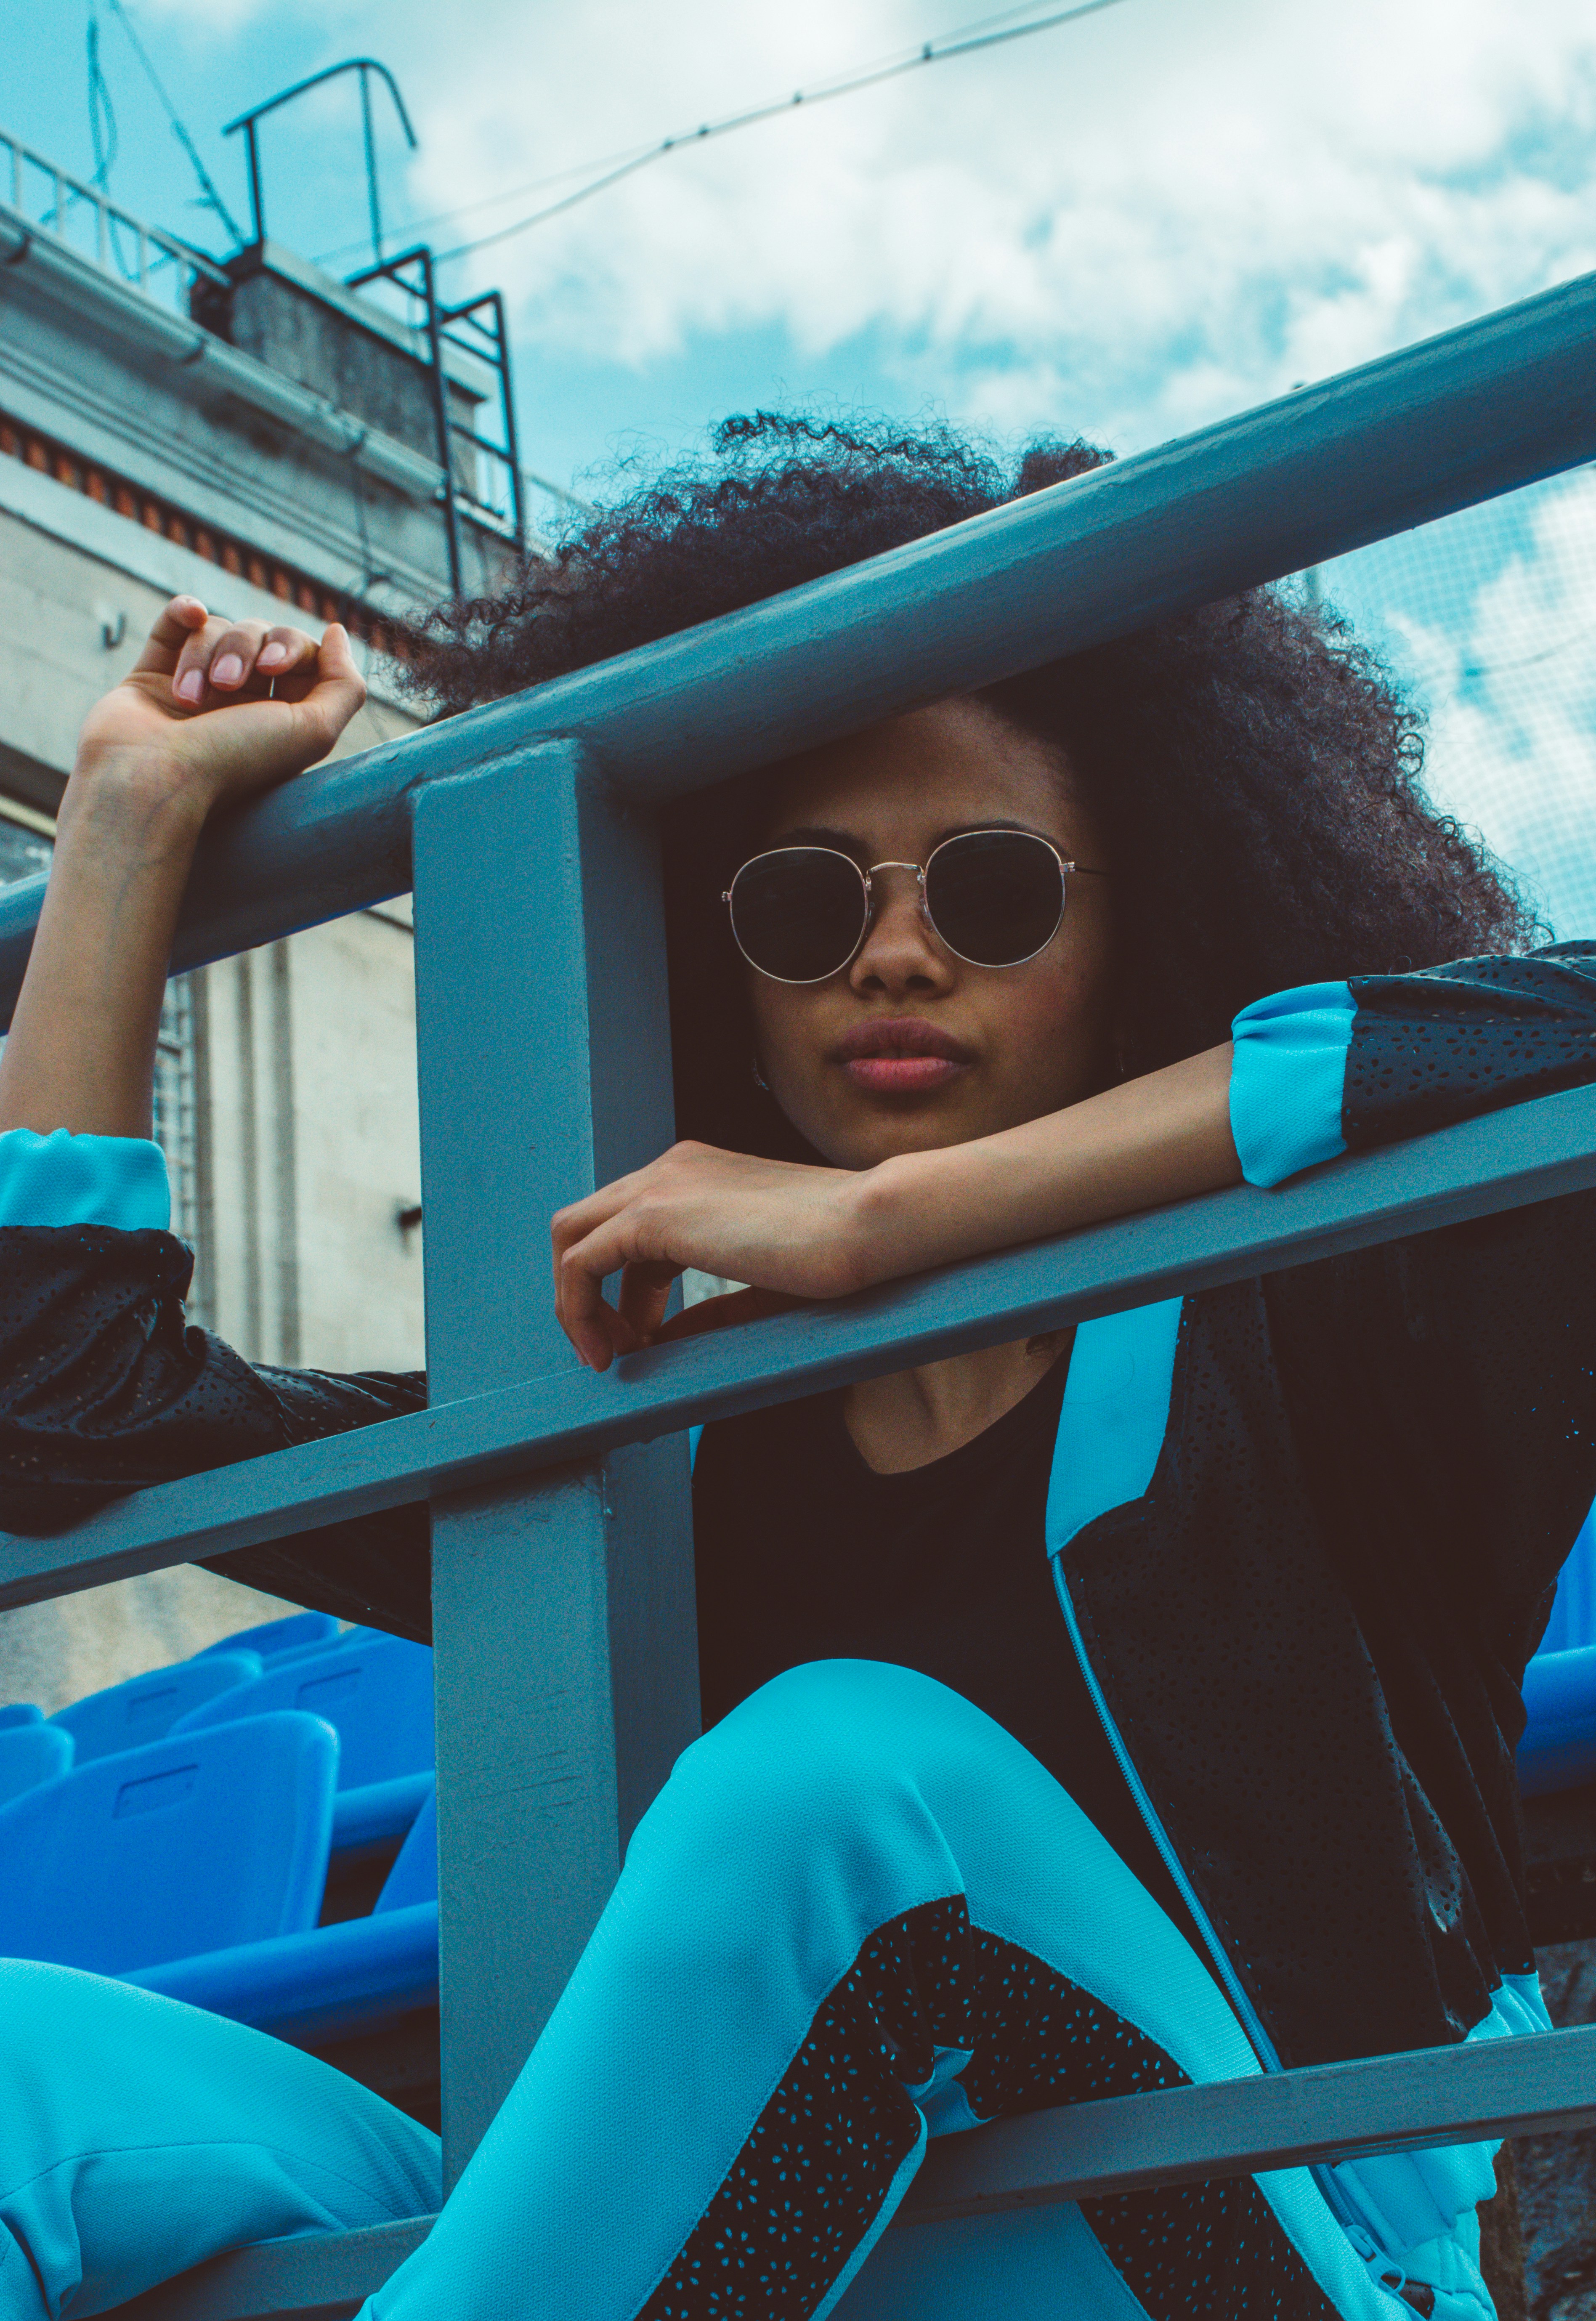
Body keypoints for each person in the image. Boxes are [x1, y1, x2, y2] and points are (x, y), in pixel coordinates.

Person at [0, 416, 1593, 2321]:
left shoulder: (1330, 1314)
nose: (894, 956)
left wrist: (893, 1219)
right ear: (723, 978)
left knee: (839, 1779)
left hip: (1286, 2250)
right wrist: (123, 820)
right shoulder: (659, 1426)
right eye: (803, 905)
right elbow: (74, 1417)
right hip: (775, 2255)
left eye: (991, 892)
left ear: (1141, 936)